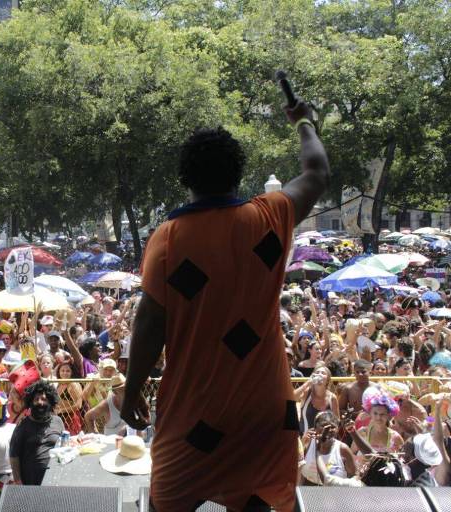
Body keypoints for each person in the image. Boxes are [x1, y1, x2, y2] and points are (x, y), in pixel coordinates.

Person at [121, 98, 330, 512]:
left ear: (187, 178)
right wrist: (304, 121)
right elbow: (317, 171)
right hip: (265, 410)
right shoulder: (272, 216)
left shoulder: (170, 238)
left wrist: (131, 393)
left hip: (194, 412)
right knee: (258, 502)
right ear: (238, 172)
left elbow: (149, 326)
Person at [9, 380, 64, 485]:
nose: (40, 402)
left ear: (50, 402)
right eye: (36, 399)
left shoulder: (58, 421)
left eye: (44, 399)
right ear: (30, 402)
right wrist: (18, 481)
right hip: (31, 482)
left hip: (54, 479)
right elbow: (13, 456)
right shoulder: (22, 426)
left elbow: (64, 446)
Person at [300, 411, 357, 485]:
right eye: (323, 426)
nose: (328, 430)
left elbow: (353, 478)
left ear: (337, 429)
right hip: (306, 492)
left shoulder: (343, 450)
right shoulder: (308, 443)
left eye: (332, 427)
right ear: (315, 428)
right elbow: (297, 468)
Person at [294, 365, 339, 434]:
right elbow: (291, 398)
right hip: (305, 439)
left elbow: (337, 422)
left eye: (323, 373)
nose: (319, 374)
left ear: (327, 380)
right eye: (317, 372)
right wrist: (307, 383)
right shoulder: (307, 393)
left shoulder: (332, 398)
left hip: (324, 440)